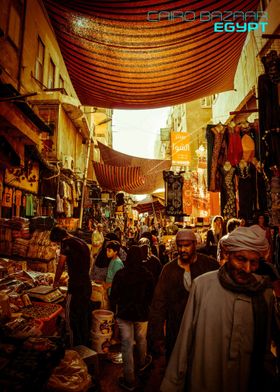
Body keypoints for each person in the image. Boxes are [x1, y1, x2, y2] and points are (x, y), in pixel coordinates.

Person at [161, 225, 280, 392]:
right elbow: (184, 340)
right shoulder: (203, 286)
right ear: (228, 254)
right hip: (204, 380)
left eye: (253, 262)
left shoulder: (263, 294)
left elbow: (266, 350)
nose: (246, 268)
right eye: (241, 259)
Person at [147, 229, 219, 361]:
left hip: (204, 328)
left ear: (195, 244)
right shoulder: (169, 270)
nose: (182, 249)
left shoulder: (210, 265)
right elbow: (158, 304)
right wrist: (157, 337)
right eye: (180, 246)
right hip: (176, 329)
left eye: (187, 245)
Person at [110, 245, 155, 391]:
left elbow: (114, 296)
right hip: (142, 314)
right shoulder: (147, 274)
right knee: (142, 340)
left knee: (127, 345)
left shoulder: (121, 274)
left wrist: (117, 307)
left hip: (124, 314)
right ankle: (142, 366)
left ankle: (129, 380)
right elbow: (151, 296)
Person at [50, 226, 92, 347]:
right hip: (86, 284)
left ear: (58, 239)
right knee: (83, 316)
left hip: (76, 286)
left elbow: (60, 265)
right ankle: (83, 344)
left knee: (71, 317)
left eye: (56, 243)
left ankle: (73, 347)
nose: (58, 245)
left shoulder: (66, 243)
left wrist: (55, 282)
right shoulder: (79, 241)